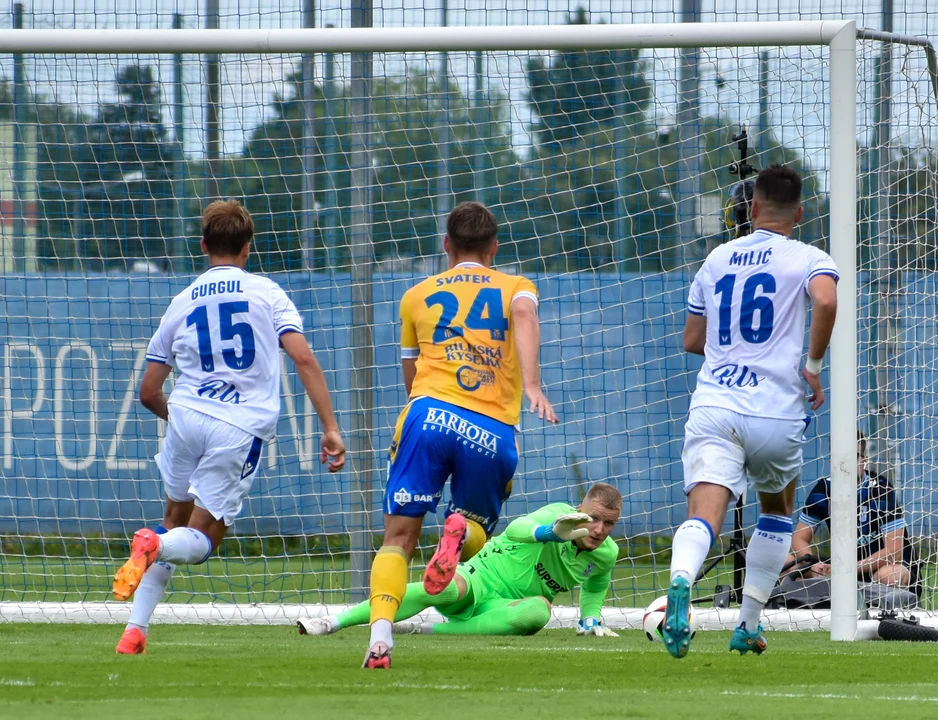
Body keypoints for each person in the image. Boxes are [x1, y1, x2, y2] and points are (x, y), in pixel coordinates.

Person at [112, 199, 347, 654]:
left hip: (185, 418)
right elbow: (302, 357)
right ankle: (152, 548)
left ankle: (134, 631)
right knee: (200, 540)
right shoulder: (267, 293)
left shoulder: (180, 303)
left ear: (203, 246)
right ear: (248, 247)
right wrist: (329, 427)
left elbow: (147, 391)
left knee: (172, 521)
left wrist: (182, 416)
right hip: (237, 427)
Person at [364, 201, 559, 669]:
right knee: (476, 535)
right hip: (490, 429)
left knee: (397, 539)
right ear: (494, 247)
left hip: (428, 414)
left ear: (447, 245)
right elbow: (526, 316)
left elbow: (410, 374)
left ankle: (380, 638)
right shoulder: (516, 286)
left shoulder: (416, 294)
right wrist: (532, 385)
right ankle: (456, 533)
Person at [662, 165, 839, 659]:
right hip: (775, 412)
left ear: (751, 208)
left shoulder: (717, 258)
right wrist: (813, 365)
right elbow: (825, 299)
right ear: (799, 213)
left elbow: (693, 340)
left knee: (704, 514)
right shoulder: (809, 256)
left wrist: (731, 351)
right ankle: (747, 625)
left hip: (716, 403)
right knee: (777, 512)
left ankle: (680, 580)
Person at [297, 483, 622, 641]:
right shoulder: (558, 516)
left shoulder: (607, 553)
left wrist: (590, 619)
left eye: (608, 524)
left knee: (539, 613)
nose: (598, 529)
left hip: (506, 607)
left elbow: (596, 585)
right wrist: (550, 533)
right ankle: (334, 621)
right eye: (593, 518)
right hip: (479, 582)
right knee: (444, 588)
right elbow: (516, 529)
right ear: (581, 507)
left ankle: (429, 630)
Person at [788, 432, 920, 593]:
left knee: (890, 575)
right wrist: (814, 565)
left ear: (864, 460)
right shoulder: (823, 490)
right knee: (786, 563)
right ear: (831, 461)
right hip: (841, 565)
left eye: (853, 456)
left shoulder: (880, 489)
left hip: (881, 567)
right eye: (840, 456)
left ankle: (884, 615)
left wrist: (846, 570)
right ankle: (803, 611)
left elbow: (894, 553)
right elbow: (799, 538)